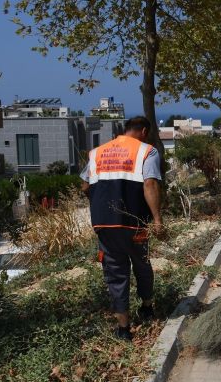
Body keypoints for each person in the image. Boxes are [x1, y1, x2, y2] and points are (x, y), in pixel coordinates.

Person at [80, 116, 163, 341]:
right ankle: (146, 307)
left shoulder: (97, 152)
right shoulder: (147, 151)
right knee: (142, 265)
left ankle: (124, 328)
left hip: (104, 224)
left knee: (116, 273)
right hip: (135, 223)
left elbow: (85, 185)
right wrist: (157, 219)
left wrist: (100, 205)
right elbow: (150, 184)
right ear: (144, 131)